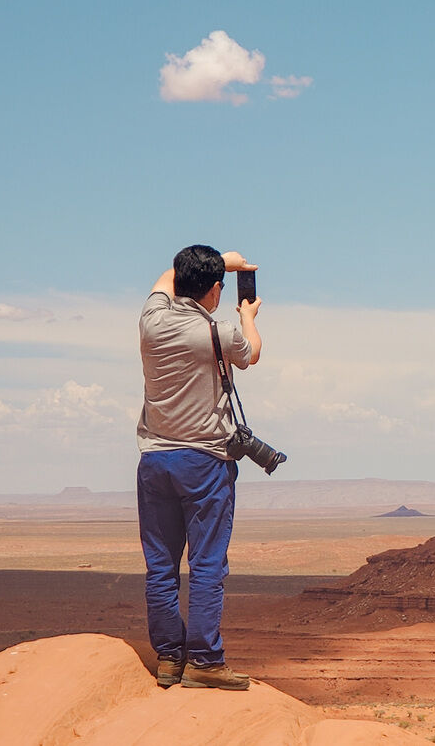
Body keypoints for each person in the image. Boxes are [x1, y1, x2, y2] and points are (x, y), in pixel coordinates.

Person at [135, 244, 262, 690]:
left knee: (161, 566)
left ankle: (169, 659)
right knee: (207, 566)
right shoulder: (218, 332)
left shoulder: (151, 321)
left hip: (154, 461)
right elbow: (253, 354)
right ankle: (205, 661)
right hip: (205, 461)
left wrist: (214, 263)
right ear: (213, 291)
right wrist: (249, 315)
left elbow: (164, 280)